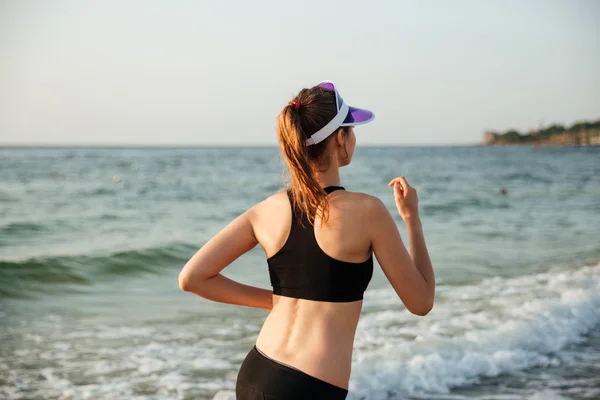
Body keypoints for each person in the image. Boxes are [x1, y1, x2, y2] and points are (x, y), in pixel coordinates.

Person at [178, 81, 435, 399]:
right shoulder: (368, 210)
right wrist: (412, 219)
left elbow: (192, 278)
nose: (353, 137)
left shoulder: (266, 210)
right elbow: (421, 302)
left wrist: (273, 302)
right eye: (350, 129)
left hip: (256, 371)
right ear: (340, 139)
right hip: (308, 387)